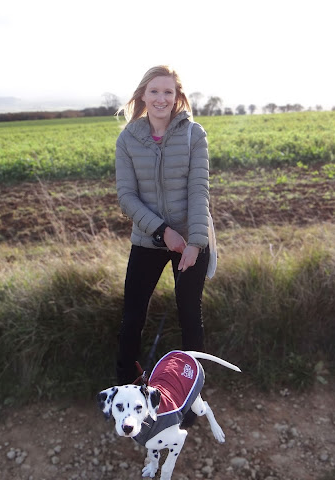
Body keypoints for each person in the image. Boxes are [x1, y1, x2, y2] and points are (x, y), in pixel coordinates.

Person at [115, 65, 211, 386]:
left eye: (168, 92)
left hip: (190, 241)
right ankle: (127, 385)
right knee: (132, 318)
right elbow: (127, 196)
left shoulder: (193, 135)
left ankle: (189, 390)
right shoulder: (128, 139)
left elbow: (199, 191)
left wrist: (195, 242)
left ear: (177, 97)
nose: (161, 98)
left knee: (189, 317)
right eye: (154, 91)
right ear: (143, 95)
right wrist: (161, 231)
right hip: (147, 240)